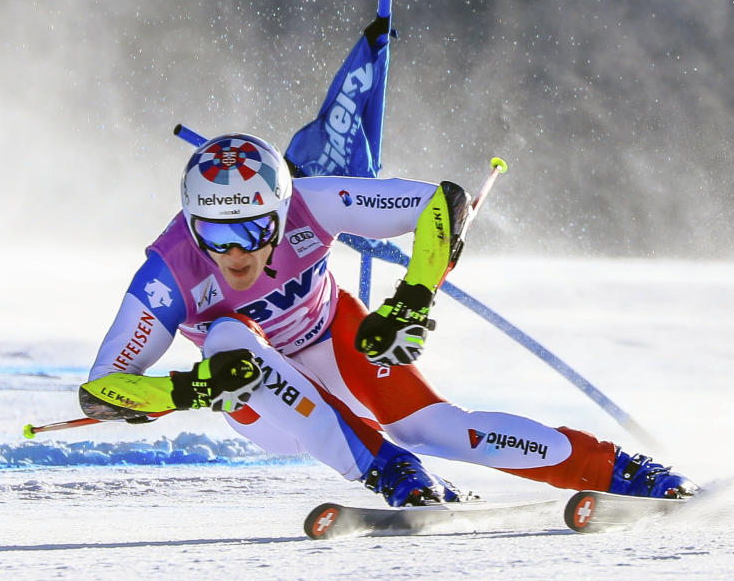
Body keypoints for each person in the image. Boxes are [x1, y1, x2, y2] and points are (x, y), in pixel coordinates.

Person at [78, 133, 697, 506]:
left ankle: (619, 470)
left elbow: (440, 202)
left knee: (440, 429)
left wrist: (411, 301)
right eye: (214, 232)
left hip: (334, 341)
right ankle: (386, 468)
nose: (234, 252)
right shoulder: (168, 273)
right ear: (191, 222)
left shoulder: (312, 203)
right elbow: (101, 387)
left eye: (251, 229)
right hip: (261, 401)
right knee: (229, 337)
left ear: (280, 208)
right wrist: (189, 389)